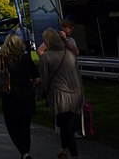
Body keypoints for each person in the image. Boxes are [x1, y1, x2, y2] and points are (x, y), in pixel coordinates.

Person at [39, 28, 84, 159]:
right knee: (67, 124)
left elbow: (44, 78)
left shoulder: (46, 57)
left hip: (60, 94)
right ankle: (64, 149)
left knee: (65, 126)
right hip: (76, 93)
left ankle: (74, 154)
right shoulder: (69, 54)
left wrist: (41, 93)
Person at [0, 34, 39, 159]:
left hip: (10, 97)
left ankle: (24, 153)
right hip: (26, 96)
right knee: (25, 127)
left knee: (13, 127)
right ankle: (26, 152)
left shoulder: (2, 59)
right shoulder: (26, 58)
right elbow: (36, 78)